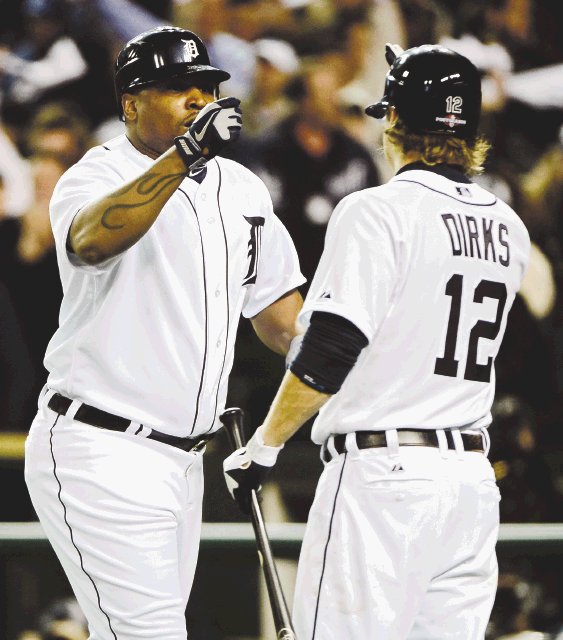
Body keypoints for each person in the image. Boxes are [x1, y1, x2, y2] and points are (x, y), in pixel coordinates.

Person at [224, 43, 531, 639]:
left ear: (394, 122)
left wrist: (265, 444)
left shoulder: (376, 210)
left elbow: (331, 349)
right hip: (469, 483)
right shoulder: (508, 225)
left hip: (382, 479)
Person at [24, 25, 304, 639]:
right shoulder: (94, 175)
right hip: (100, 445)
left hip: (185, 462)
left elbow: (284, 323)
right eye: (179, 88)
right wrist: (183, 158)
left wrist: (355, 360)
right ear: (130, 103)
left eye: (206, 87)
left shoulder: (241, 189)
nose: (199, 100)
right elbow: (91, 242)